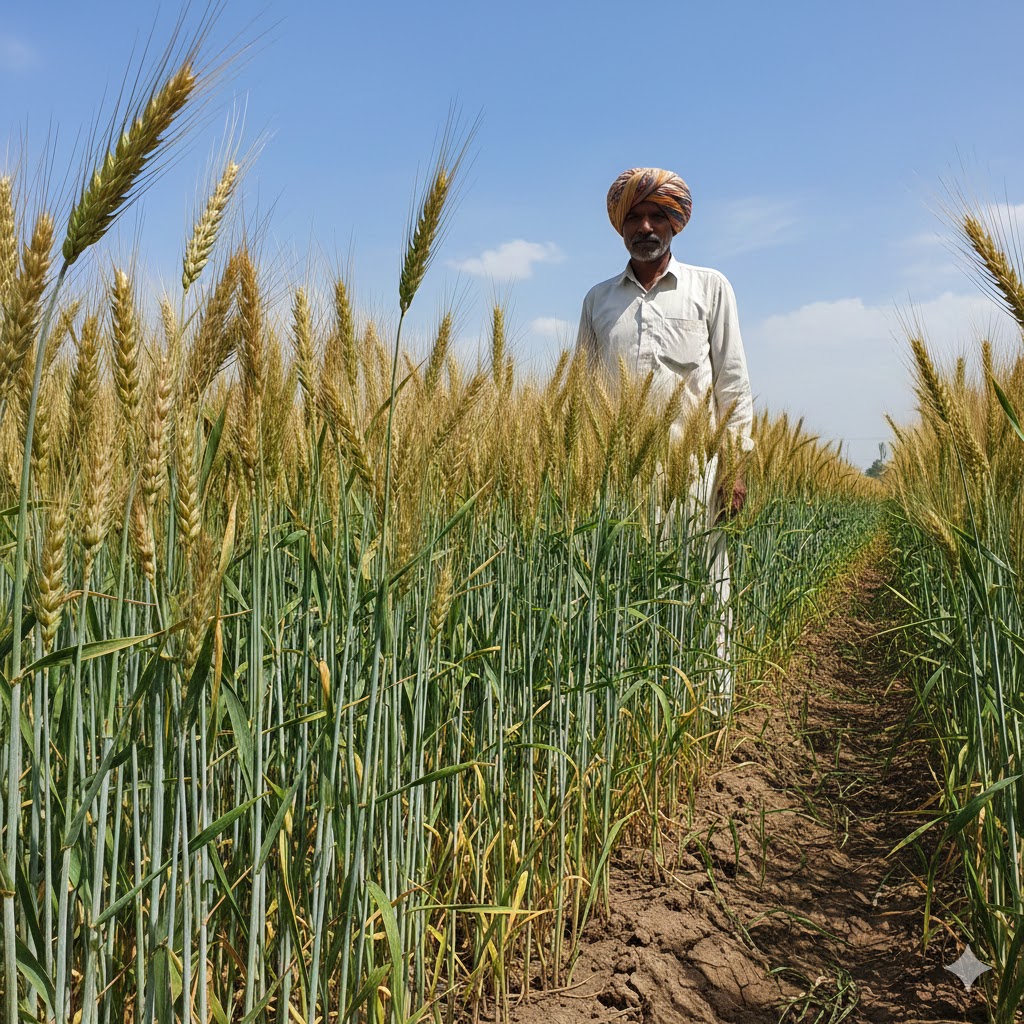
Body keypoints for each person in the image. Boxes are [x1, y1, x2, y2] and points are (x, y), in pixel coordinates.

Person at [574, 167, 754, 716]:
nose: (646, 227)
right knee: (627, 596)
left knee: (705, 590)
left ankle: (710, 712)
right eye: (635, 217)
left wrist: (736, 468)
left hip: (697, 477)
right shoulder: (599, 301)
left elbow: (733, 385)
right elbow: (581, 395)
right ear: (620, 226)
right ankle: (638, 717)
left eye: (657, 216)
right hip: (620, 484)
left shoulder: (710, 288)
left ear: (676, 222)